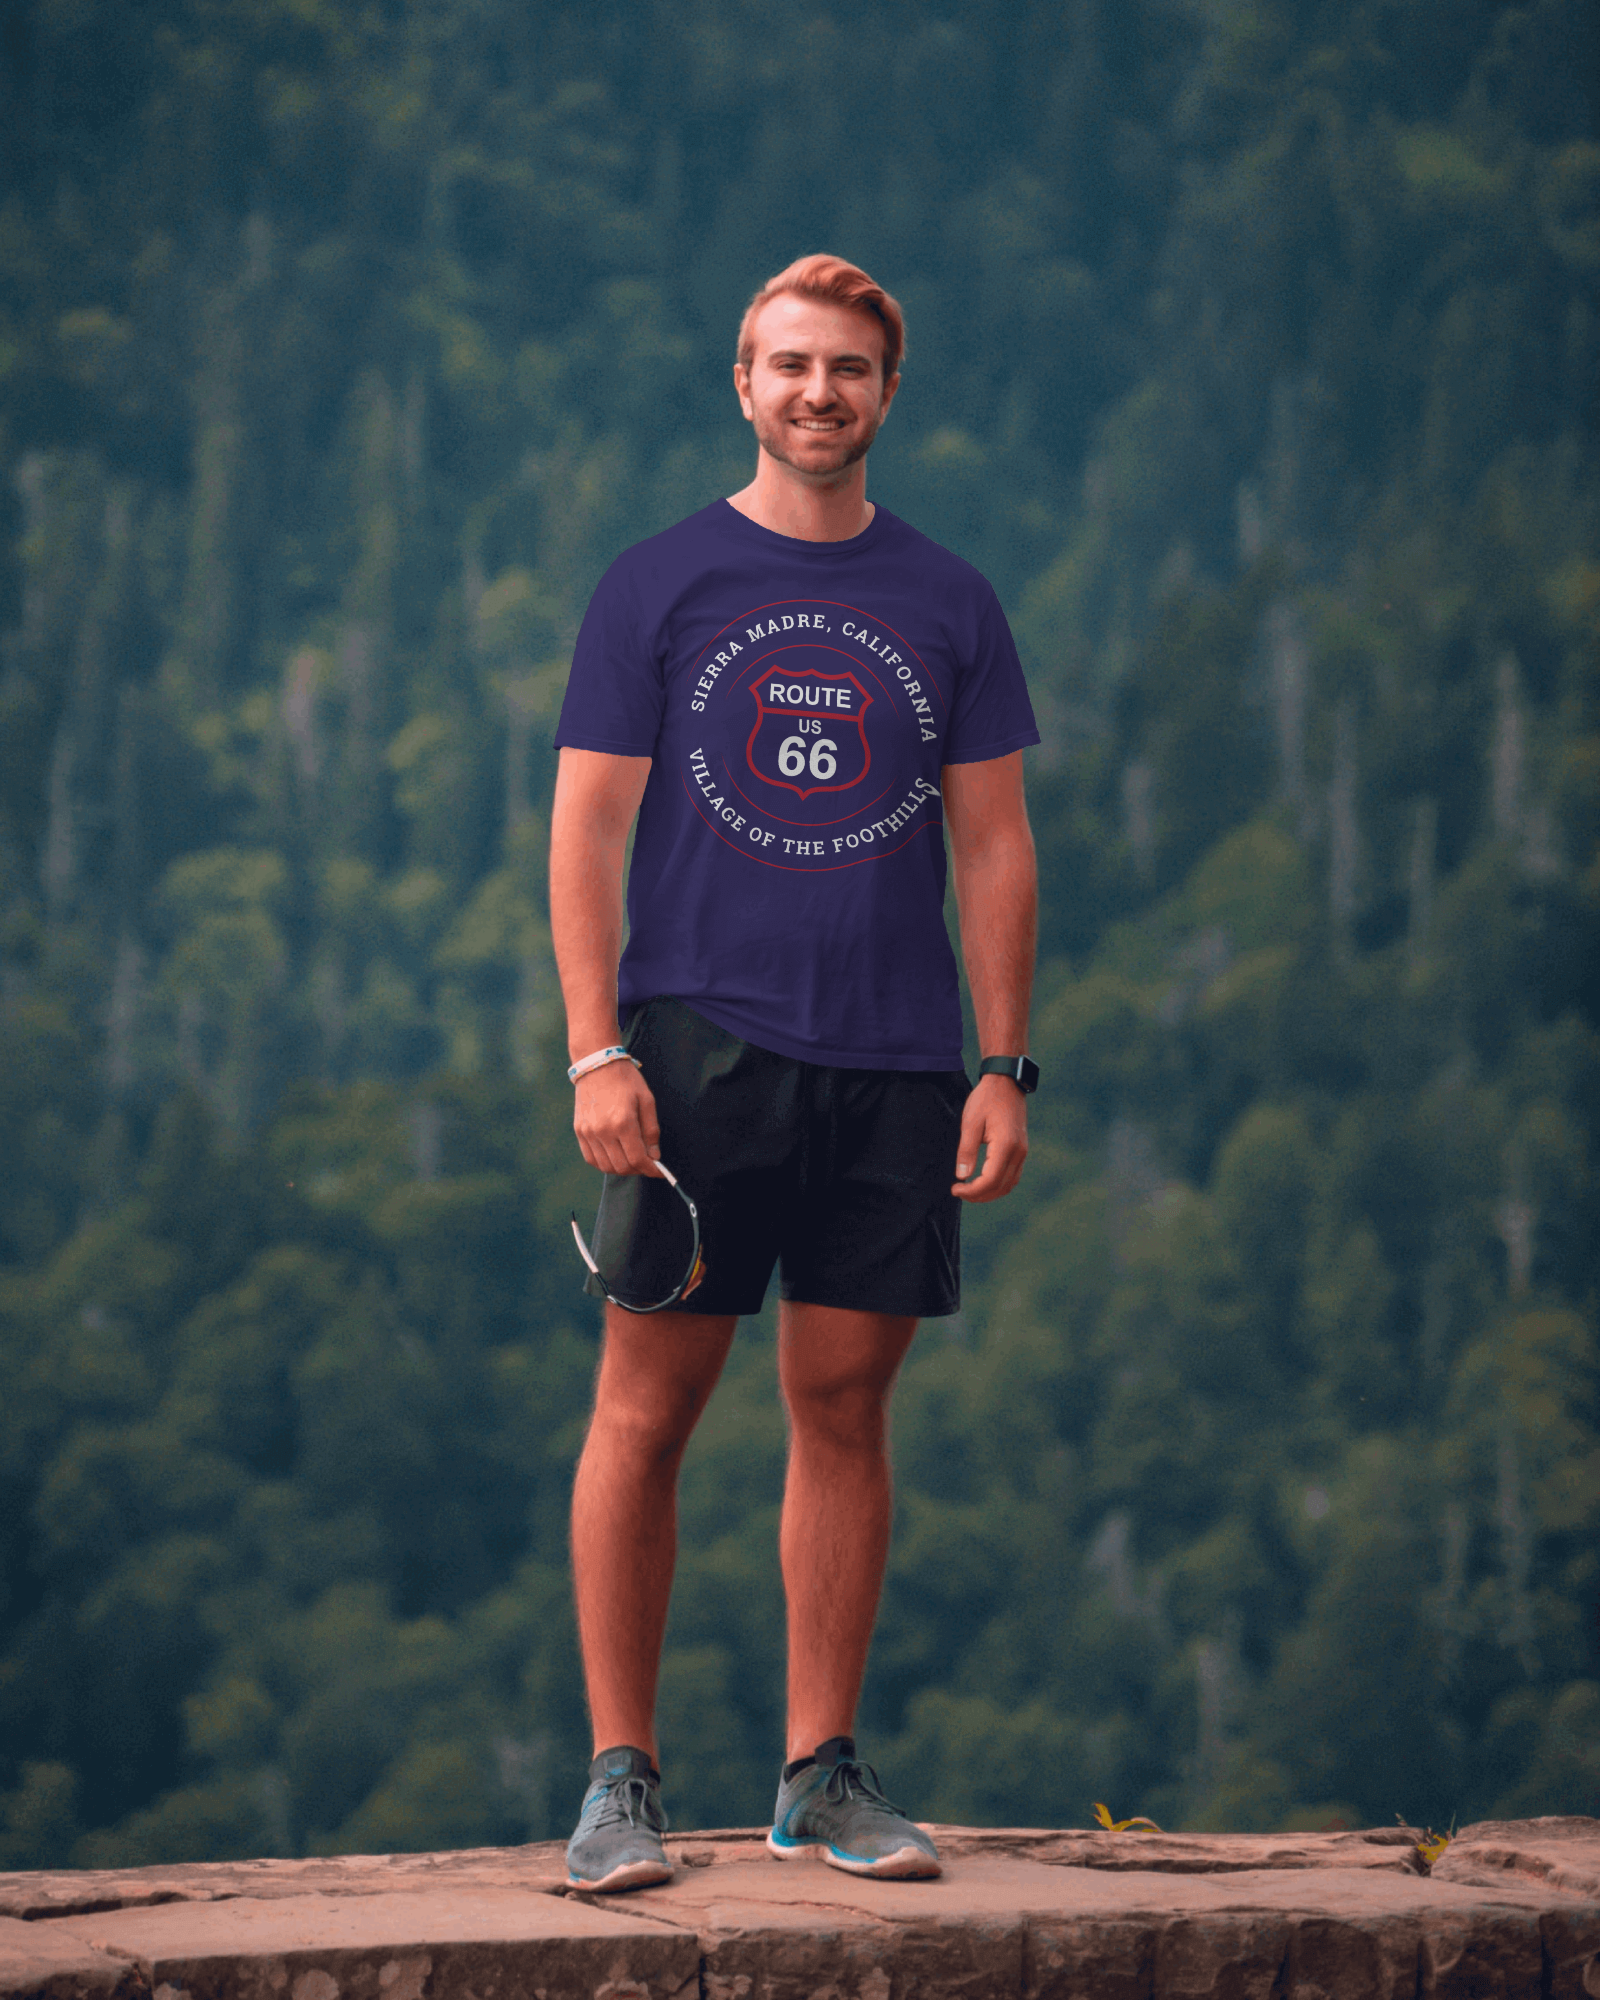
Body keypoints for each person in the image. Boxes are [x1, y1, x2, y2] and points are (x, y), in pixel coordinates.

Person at [549, 254, 1039, 1893]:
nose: (818, 392)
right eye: (789, 366)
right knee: (647, 1410)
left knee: (843, 1410)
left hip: (898, 1064)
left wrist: (1004, 1064)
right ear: (742, 385)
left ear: (890, 395)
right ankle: (623, 1782)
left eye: (848, 369)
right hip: (693, 1057)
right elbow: (586, 831)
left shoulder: (950, 601)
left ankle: (818, 1776)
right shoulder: (659, 584)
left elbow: (995, 844)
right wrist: (597, 1050)